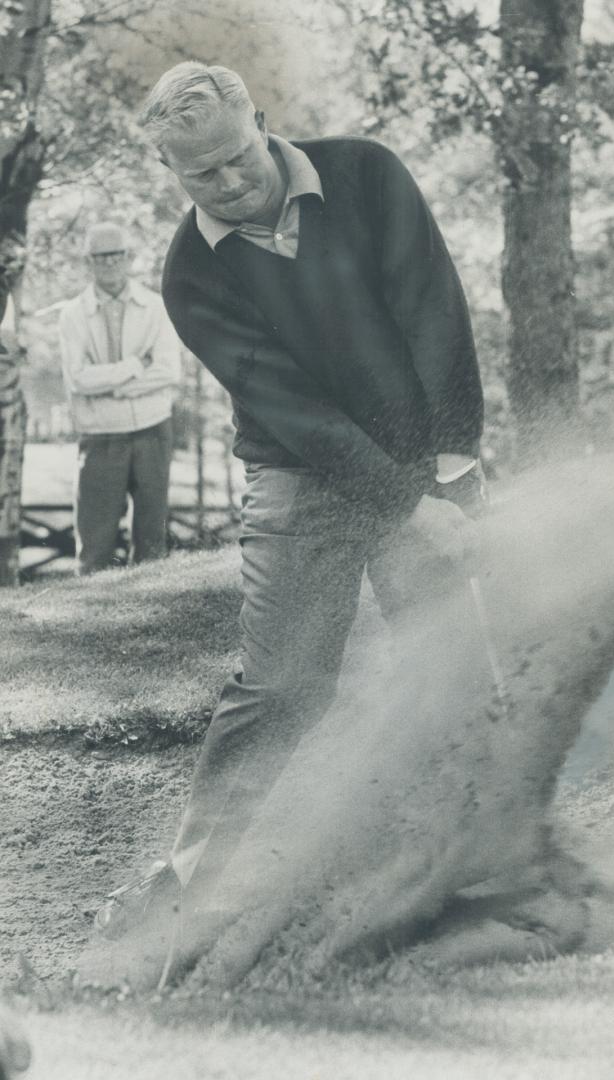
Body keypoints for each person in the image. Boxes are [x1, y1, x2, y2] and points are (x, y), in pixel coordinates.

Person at [94, 62, 491, 953]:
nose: (229, 183)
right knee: (282, 688)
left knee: (451, 658)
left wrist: (451, 471)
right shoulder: (190, 274)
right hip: (298, 475)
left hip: (423, 451)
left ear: (262, 121)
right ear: (172, 172)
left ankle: (480, 867)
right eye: (202, 174)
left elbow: (434, 314)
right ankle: (181, 904)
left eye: (238, 157)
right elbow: (293, 411)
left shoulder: (363, 173)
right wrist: (409, 506)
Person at [58, 222, 182, 575]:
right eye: (101, 257)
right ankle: (90, 624)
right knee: (95, 543)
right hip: (100, 436)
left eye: (116, 255)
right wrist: (133, 367)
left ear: (129, 258)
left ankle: (152, 619)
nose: (109, 263)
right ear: (89, 262)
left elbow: (169, 371)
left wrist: (114, 386)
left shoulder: (156, 307)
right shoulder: (72, 315)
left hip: (153, 429)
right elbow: (79, 379)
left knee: (151, 539)